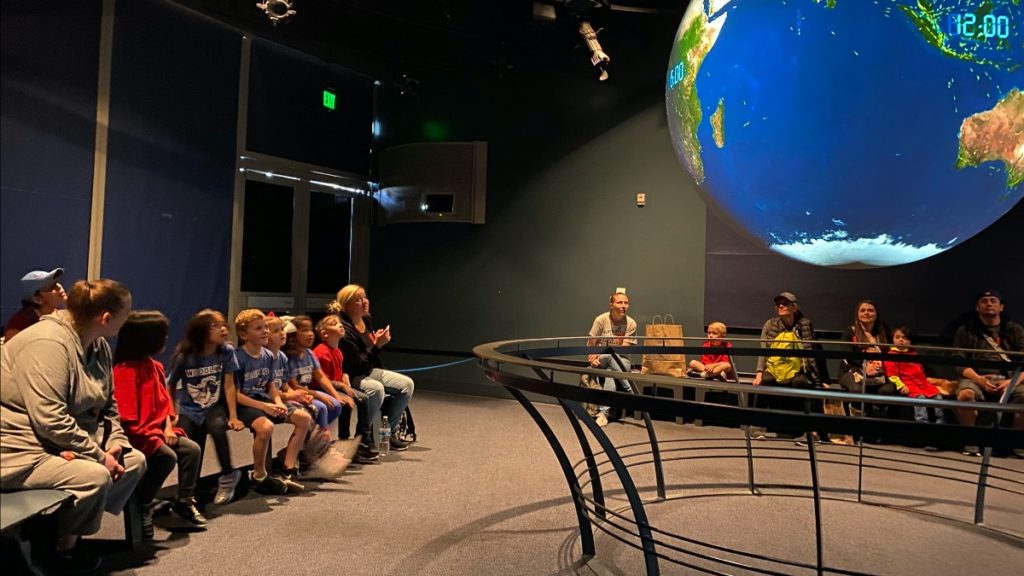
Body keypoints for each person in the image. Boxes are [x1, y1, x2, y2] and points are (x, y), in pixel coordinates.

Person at [0, 279, 145, 573]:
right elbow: (49, 418)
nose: (128, 319)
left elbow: (109, 405)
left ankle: (50, 531)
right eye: (126, 313)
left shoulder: (98, 344)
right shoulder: (47, 344)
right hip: (20, 447)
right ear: (106, 318)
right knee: (95, 477)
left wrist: (115, 441)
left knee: (134, 462)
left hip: (61, 440)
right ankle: (61, 548)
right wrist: (97, 455)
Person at [112, 310, 207, 539]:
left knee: (192, 450)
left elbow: (164, 404)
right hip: (135, 434)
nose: (166, 339)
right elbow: (126, 419)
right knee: (166, 457)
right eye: (162, 335)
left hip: (157, 430)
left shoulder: (155, 366)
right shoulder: (124, 372)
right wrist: (156, 436)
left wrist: (167, 427)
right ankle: (143, 504)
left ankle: (184, 501)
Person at [166, 309, 244, 505]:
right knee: (191, 443)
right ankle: (188, 490)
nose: (223, 329)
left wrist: (233, 416)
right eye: (215, 326)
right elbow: (170, 384)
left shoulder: (226, 352)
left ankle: (228, 475)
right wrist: (172, 414)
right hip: (189, 409)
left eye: (224, 324)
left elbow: (229, 385)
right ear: (201, 331)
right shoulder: (185, 356)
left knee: (217, 427)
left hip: (213, 406)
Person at [328, 284, 414, 451]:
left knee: (406, 384)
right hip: (350, 374)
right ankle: (363, 438)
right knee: (376, 389)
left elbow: (368, 355)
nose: (364, 301)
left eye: (365, 297)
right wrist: (377, 346)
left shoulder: (365, 319)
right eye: (358, 299)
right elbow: (355, 365)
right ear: (347, 305)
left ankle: (387, 433)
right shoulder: (343, 328)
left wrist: (377, 343)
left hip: (368, 369)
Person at [233, 309, 310, 493]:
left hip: (264, 400)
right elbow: (235, 394)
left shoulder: (268, 356)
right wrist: (265, 406)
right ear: (243, 335)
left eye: (265, 327)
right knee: (266, 428)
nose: (265, 331)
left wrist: (278, 402)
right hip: (245, 404)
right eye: (259, 328)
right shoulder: (238, 358)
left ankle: (288, 470)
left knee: (304, 419)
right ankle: (259, 475)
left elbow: (271, 386)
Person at [951, 290, 1024, 455]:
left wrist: (1012, 382)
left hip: (1009, 379)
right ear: (977, 307)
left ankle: (1016, 441)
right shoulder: (966, 330)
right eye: (984, 301)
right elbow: (959, 361)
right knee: (965, 395)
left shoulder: (1014, 330)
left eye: (993, 300)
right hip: (976, 377)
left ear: (1001, 307)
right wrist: (979, 379)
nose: (989, 304)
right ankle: (972, 441)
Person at [313, 313, 381, 464]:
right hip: (323, 390)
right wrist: (342, 386)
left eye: (340, 323)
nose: (340, 325)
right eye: (334, 324)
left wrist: (345, 377)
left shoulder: (337, 351)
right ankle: (345, 441)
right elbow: (321, 381)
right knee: (349, 403)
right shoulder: (321, 353)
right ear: (324, 334)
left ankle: (362, 443)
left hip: (337, 387)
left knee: (363, 399)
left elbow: (341, 371)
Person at [586, 291, 638, 427]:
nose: (623, 306)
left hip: (622, 361)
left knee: (610, 371)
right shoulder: (601, 320)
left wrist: (602, 352)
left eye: (626, 303)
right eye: (619, 302)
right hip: (601, 358)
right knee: (608, 357)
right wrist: (592, 358)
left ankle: (603, 414)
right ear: (611, 305)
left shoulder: (631, 323)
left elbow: (623, 350)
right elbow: (591, 344)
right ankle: (631, 391)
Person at [835, 300, 896, 405]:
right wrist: (865, 365)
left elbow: (890, 354)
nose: (866, 313)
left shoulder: (883, 333)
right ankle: (857, 413)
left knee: (888, 390)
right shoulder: (850, 332)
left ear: (876, 314)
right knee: (858, 390)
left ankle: (875, 413)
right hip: (852, 371)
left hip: (878, 373)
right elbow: (847, 354)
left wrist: (878, 366)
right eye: (862, 310)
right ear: (857, 315)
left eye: (870, 310)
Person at [884, 327, 946, 426]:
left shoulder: (913, 353)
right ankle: (921, 424)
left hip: (923, 384)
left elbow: (920, 371)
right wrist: (901, 386)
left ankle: (940, 423)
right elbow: (892, 375)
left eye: (904, 338)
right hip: (909, 384)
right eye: (897, 337)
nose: (900, 340)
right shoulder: (891, 355)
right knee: (920, 399)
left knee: (938, 397)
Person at [4, 267, 67, 341]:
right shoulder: (19, 324)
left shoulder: (62, 315)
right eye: (51, 287)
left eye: (57, 283)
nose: (59, 287)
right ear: (37, 299)